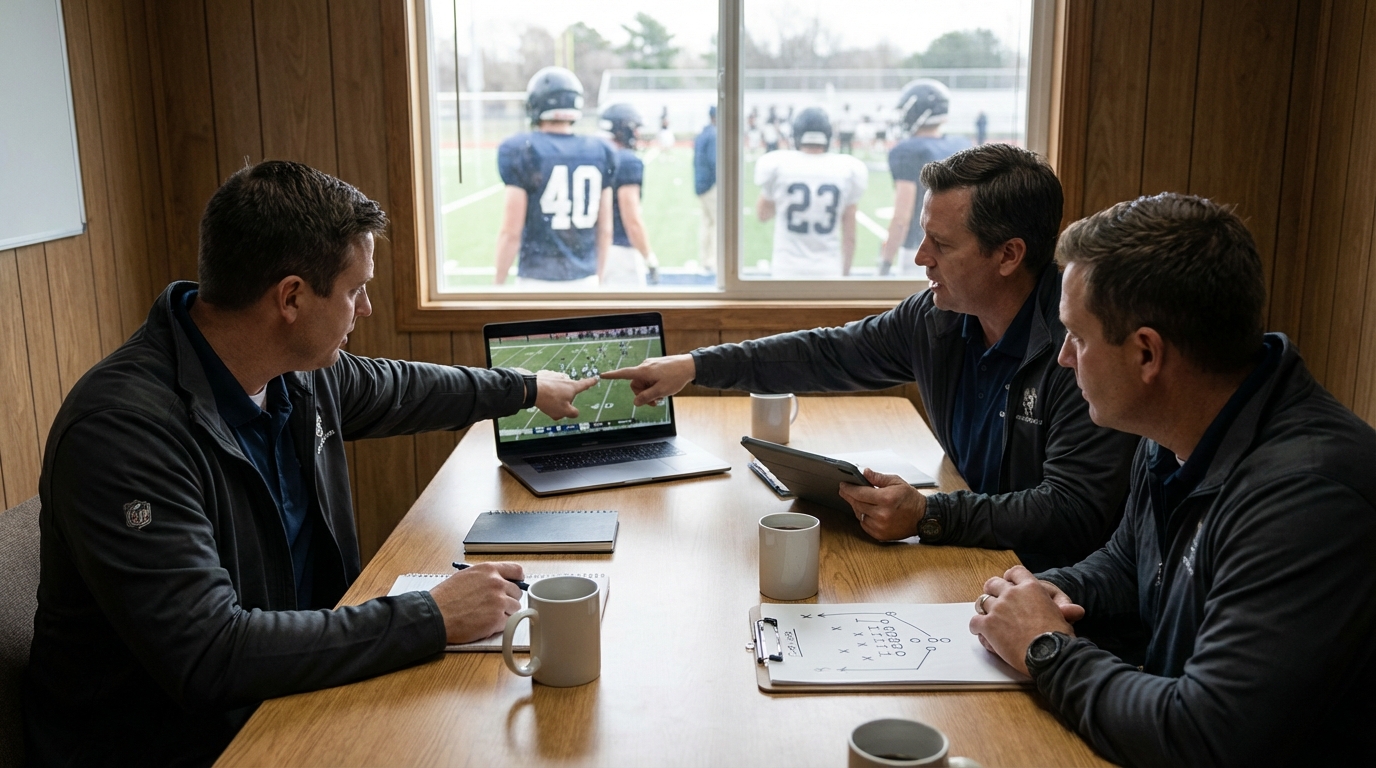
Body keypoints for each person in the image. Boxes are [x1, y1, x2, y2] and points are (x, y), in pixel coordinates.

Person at [22, 160, 598, 766]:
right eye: (355, 290)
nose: (366, 310)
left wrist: (527, 387)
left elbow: (406, 388)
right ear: (291, 297)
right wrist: (431, 615)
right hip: (185, 742)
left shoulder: (295, 373)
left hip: (290, 694)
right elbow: (209, 654)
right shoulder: (123, 434)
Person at [969, 193, 1376, 767]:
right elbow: (1130, 560)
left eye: (1078, 337)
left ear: (1146, 354)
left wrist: (1046, 647)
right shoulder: (1174, 428)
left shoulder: (1308, 500)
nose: (1062, 358)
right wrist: (1052, 593)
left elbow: (1204, 736)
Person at [605, 144, 1139, 571]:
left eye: (940, 244)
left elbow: (1072, 511)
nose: (920, 257)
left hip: (1049, 588)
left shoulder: (1080, 349)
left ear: (1009, 255)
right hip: (977, 559)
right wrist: (695, 366)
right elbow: (826, 354)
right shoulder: (936, 318)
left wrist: (929, 513)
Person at [494, 66, 616, 286]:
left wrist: (498, 285)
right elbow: (605, 229)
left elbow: (511, 232)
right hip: (584, 278)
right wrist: (597, 279)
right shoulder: (601, 150)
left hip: (536, 279)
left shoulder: (522, 149)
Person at [752, 107, 868, 277]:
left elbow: (763, 214)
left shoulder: (777, 165)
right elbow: (849, 236)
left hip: (786, 270)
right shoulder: (847, 169)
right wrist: (845, 274)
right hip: (828, 270)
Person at [881, 79, 972, 277]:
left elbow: (902, 217)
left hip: (921, 250)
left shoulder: (907, 151)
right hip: (959, 250)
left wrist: (886, 261)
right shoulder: (961, 144)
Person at [598, 103, 660, 286]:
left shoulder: (593, 154)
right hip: (619, 252)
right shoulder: (626, 161)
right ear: (623, 130)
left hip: (591, 249)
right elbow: (631, 218)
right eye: (634, 129)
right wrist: (649, 257)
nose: (637, 134)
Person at [693, 105, 718, 273]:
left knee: (707, 222)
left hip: (701, 183)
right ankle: (715, 260)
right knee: (717, 223)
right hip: (710, 184)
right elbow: (715, 161)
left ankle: (706, 260)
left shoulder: (703, 133)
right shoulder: (714, 135)